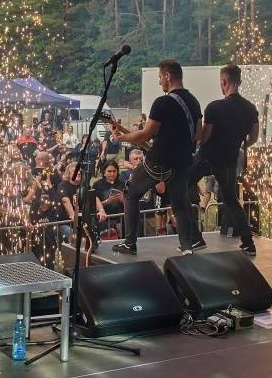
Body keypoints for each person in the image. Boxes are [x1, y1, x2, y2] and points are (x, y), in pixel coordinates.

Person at [110, 59, 202, 256]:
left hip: (159, 160)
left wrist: (121, 136)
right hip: (184, 161)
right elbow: (198, 134)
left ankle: (130, 243)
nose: (160, 82)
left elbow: (145, 134)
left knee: (131, 194)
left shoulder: (163, 102)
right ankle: (188, 247)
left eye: (160, 77)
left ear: (168, 76)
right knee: (179, 203)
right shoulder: (194, 101)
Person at [183, 64, 259, 255]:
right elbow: (254, 137)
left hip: (207, 158)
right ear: (239, 81)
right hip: (229, 161)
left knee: (180, 189)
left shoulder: (215, 107)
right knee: (232, 201)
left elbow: (205, 137)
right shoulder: (250, 109)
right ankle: (248, 242)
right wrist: (240, 145)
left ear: (224, 82)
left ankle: (195, 238)